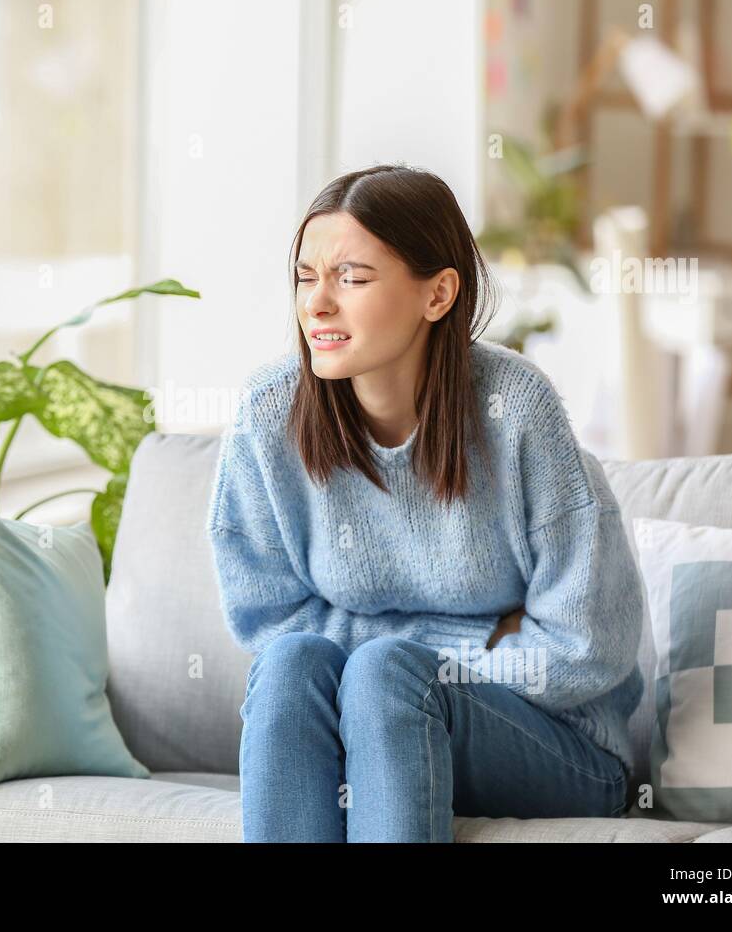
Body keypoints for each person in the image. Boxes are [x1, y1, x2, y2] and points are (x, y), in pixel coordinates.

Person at [204, 164, 644, 842]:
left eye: (351, 278)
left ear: (437, 294)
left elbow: (585, 647)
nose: (317, 303)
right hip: (375, 724)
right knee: (294, 668)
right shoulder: (271, 414)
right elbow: (268, 621)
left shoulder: (517, 410)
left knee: (384, 673)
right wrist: (477, 635)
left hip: (561, 744)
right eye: (305, 277)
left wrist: (410, 664)